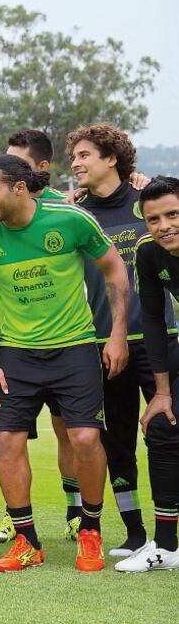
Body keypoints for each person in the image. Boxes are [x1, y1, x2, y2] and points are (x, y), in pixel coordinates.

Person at [0, 154, 130, 572]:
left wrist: (117, 333)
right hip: (15, 356)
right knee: (7, 442)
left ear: (19, 188)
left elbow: (114, 270)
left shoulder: (71, 220)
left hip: (74, 348)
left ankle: (90, 530)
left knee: (86, 440)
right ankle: (26, 541)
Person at [69, 123, 178, 558]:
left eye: (84, 155)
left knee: (164, 433)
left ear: (112, 158)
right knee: (116, 441)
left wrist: (148, 183)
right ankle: (134, 533)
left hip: (160, 339)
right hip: (104, 343)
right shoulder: (74, 213)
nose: (75, 163)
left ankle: (165, 532)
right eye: (73, 157)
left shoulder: (147, 200)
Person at [123, 175, 179, 571]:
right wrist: (162, 392)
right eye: (154, 218)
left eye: (173, 215)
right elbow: (155, 320)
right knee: (162, 427)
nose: (165, 226)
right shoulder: (148, 251)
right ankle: (167, 546)